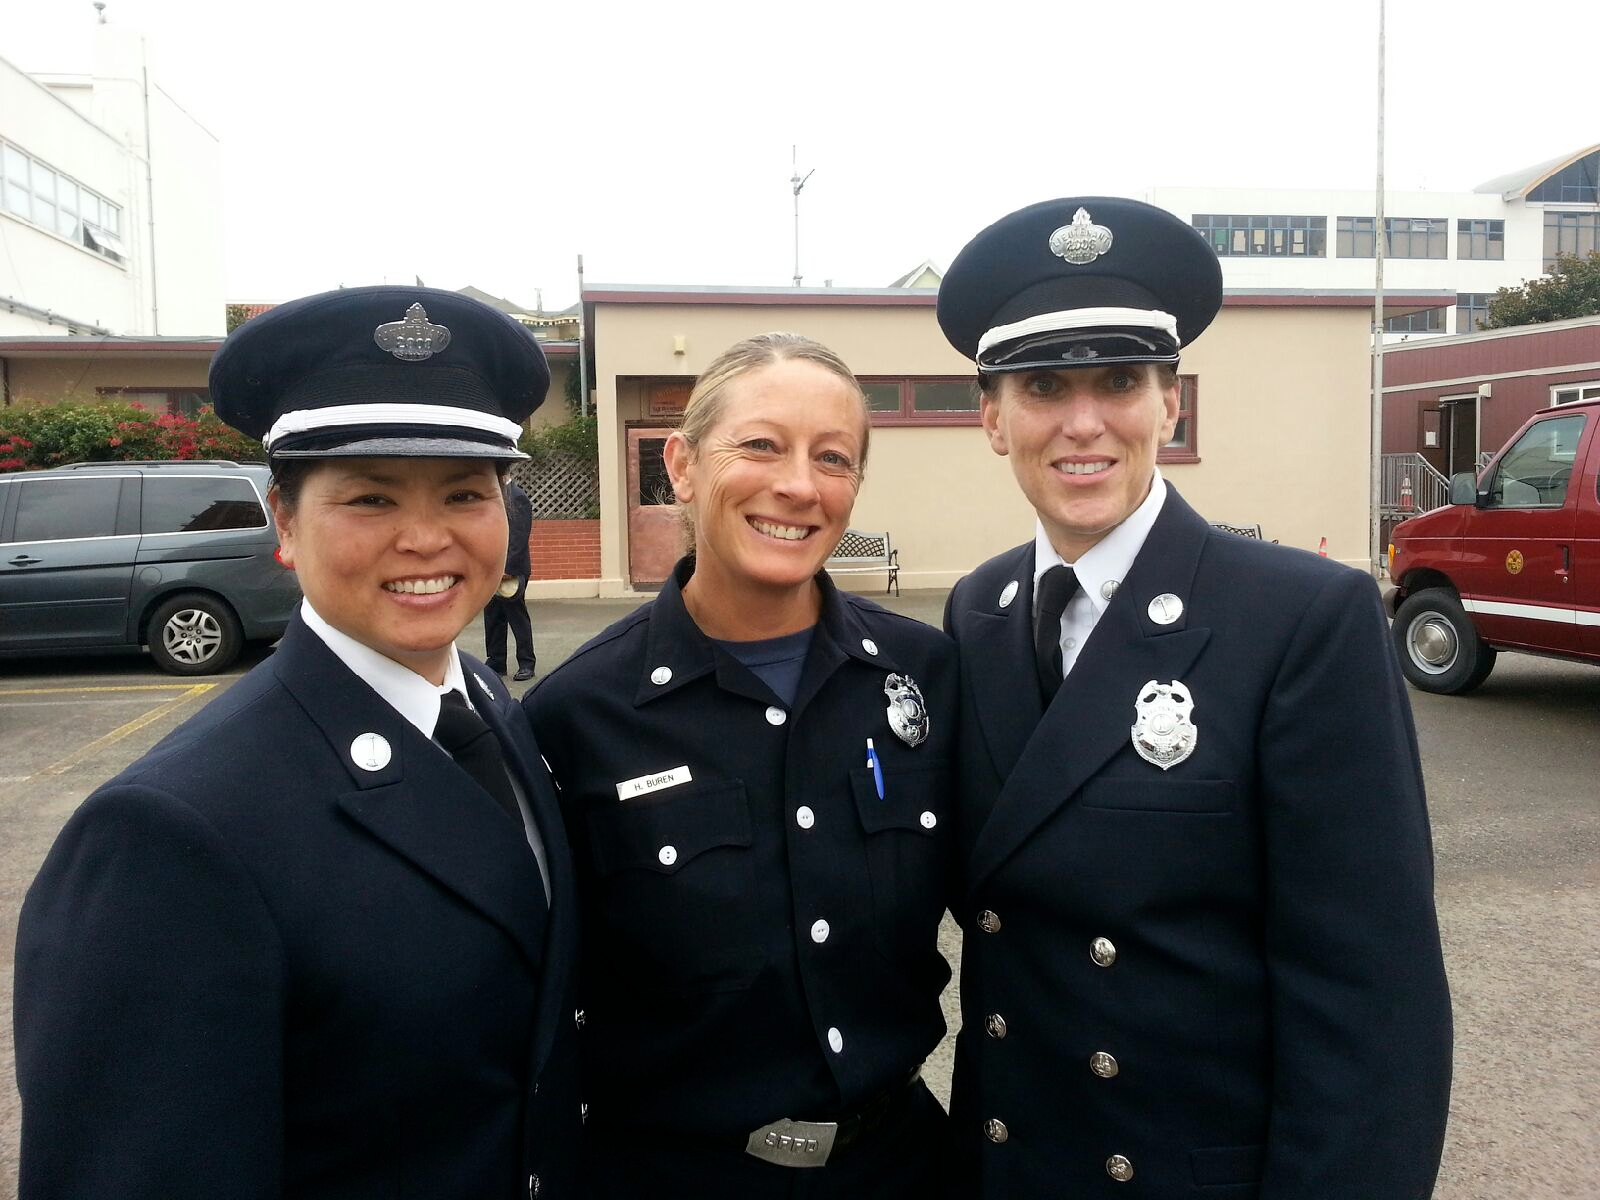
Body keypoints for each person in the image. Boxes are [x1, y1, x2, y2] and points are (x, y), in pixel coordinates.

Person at [14, 287, 580, 1200]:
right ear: (284, 522)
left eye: (467, 493)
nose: (427, 537)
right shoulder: (168, 835)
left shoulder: (486, 704)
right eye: (370, 497)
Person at [935, 198, 1452, 1198]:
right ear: (993, 419)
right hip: (1011, 1166)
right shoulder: (979, 611)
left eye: (1120, 382)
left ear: (1169, 403)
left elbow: (1368, 998)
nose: (1083, 422)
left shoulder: (1303, 618)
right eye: (1043, 385)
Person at [522, 332, 956, 1199]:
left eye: (833, 458)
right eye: (759, 445)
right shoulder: (575, 716)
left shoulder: (925, 676)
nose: (798, 484)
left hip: (905, 1170)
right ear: (681, 465)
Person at [484, 477, 537, 680]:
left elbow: (519, 536)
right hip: (492, 569)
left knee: (517, 616)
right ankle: (496, 662)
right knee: (493, 616)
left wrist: (508, 568)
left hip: (512, 569)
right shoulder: (494, 497)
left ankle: (526, 663)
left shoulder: (517, 497)